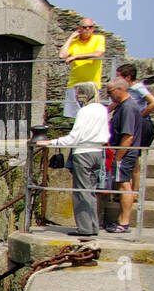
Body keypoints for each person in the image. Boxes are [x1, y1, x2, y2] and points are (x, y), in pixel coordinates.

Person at [45, 84, 110, 236]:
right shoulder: (102, 109)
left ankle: (85, 229)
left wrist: (52, 142)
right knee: (91, 191)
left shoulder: (84, 111)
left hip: (83, 152)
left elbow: (74, 137)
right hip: (98, 152)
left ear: (83, 94)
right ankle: (93, 226)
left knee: (81, 191)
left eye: (77, 94)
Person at [105, 76, 144, 233]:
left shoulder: (128, 107)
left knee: (123, 184)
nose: (109, 95)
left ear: (120, 89)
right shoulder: (123, 105)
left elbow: (128, 136)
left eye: (110, 92)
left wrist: (118, 157)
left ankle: (124, 222)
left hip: (125, 153)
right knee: (122, 183)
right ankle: (122, 219)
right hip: (124, 152)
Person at [59, 18, 105, 116]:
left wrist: (76, 57)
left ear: (93, 28)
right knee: (75, 116)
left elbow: (98, 53)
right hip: (74, 85)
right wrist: (71, 37)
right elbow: (62, 55)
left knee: (91, 115)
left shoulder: (98, 39)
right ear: (79, 29)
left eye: (90, 27)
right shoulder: (74, 43)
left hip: (92, 85)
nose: (88, 29)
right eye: (84, 27)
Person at [117, 64, 154, 149]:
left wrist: (141, 115)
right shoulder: (126, 89)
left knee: (136, 151)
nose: (117, 80)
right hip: (131, 123)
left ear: (128, 78)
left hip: (142, 124)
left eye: (119, 77)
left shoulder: (137, 88)